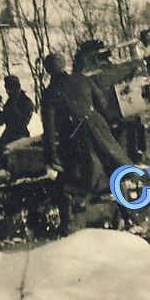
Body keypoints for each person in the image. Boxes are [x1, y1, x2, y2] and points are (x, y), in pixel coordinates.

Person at [40, 51, 131, 235]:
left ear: (48, 70)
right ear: (64, 65)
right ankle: (129, 217)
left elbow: (48, 130)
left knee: (67, 182)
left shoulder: (49, 94)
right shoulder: (82, 80)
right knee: (112, 171)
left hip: (75, 137)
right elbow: (102, 104)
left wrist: (51, 156)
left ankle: (67, 227)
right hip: (98, 129)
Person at [0, 75, 34, 172]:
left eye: (10, 87)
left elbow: (23, 122)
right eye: (7, 88)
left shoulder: (26, 102)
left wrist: (13, 107)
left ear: (17, 87)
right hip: (8, 136)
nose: (8, 91)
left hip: (21, 136)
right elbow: (0, 121)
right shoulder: (10, 102)